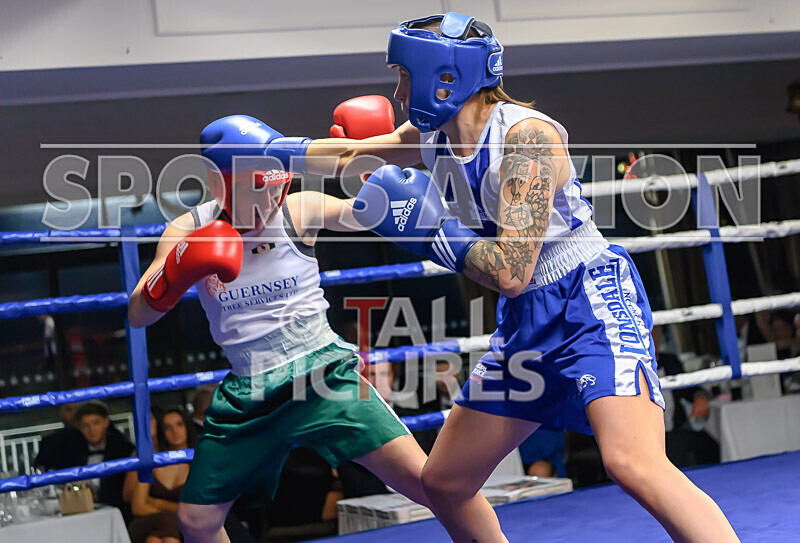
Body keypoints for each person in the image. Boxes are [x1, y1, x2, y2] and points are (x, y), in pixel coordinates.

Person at [232, 11, 740, 542]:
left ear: (444, 78)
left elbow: (513, 269)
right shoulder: (434, 137)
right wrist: (271, 148)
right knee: (445, 482)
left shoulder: (528, 140)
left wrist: (433, 231)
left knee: (633, 463)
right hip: (525, 321)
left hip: (588, 301)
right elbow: (355, 155)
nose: (399, 92)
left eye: (405, 76)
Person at [127, 100, 430, 543]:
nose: (270, 199)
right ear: (219, 184)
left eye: (277, 185)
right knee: (196, 522)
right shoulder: (186, 231)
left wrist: (373, 175)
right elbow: (138, 314)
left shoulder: (297, 209)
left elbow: (364, 216)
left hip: (323, 374)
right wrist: (176, 271)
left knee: (426, 480)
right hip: (250, 391)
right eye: (256, 188)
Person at [128, 408, 195, 543]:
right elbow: (138, 506)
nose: (174, 431)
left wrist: (157, 502)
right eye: (167, 427)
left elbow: (197, 510)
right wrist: (173, 511)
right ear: (161, 432)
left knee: (154, 540)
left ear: (187, 427)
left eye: (179, 424)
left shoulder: (200, 462)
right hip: (147, 521)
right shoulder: (153, 461)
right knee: (167, 522)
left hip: (185, 525)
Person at [73, 401, 135, 514]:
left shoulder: (123, 449)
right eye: (86, 425)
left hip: (118, 512)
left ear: (106, 422)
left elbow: (126, 493)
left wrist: (98, 497)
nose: (91, 430)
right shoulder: (74, 451)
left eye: (96, 423)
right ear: (79, 428)